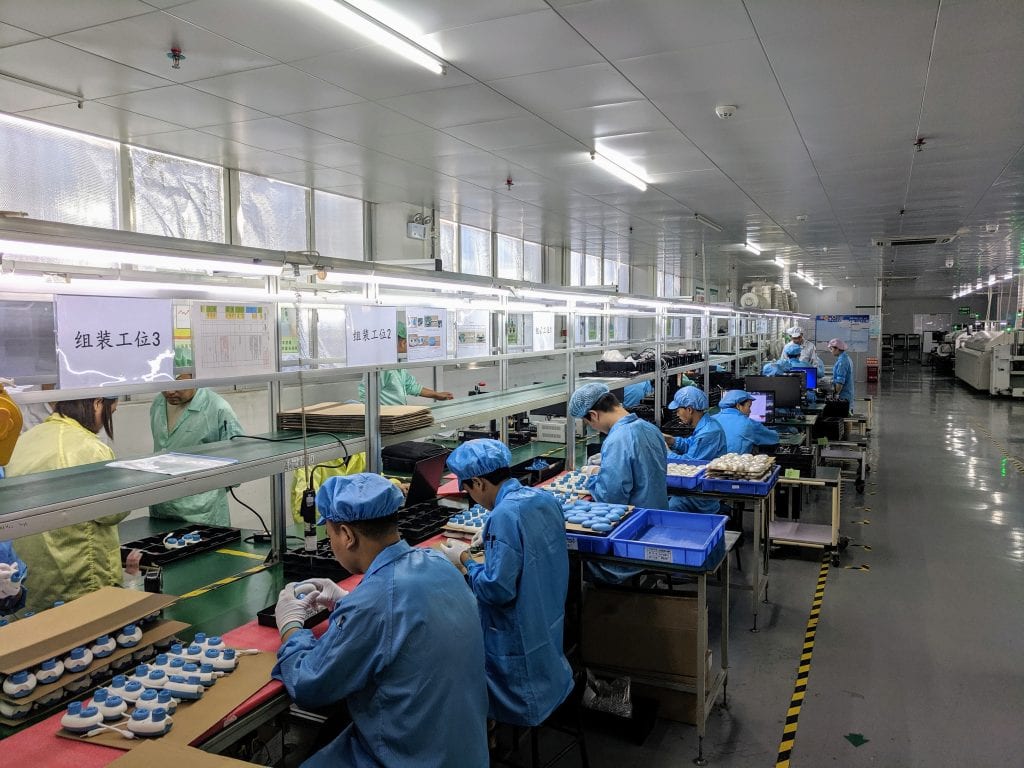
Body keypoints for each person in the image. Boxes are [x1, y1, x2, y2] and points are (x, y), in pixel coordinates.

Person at [272, 473, 488, 768]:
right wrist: (346, 601)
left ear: (347, 536)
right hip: (465, 750)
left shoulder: (372, 605)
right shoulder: (438, 563)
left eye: (331, 533)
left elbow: (310, 686)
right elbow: (399, 613)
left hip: (410, 757)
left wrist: (291, 628)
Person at [440, 439, 574, 727]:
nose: (471, 497)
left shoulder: (504, 515)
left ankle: (486, 738)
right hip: (547, 628)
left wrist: (465, 559)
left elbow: (497, 588)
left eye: (467, 490)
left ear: (478, 482)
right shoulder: (542, 499)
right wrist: (491, 540)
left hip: (518, 650)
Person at [5, 398, 128, 611]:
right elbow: (112, 513)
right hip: (79, 577)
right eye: (111, 412)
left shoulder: (23, 440)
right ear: (98, 403)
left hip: (31, 579)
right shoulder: (89, 447)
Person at [149, 374, 244, 527]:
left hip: (202, 511)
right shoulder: (158, 403)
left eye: (177, 385)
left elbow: (238, 459)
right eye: (164, 384)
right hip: (162, 505)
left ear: (194, 376)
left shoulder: (218, 408)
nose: (169, 392)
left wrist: (208, 494)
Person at [568, 382, 668, 511]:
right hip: (659, 513)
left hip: (636, 518)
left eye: (588, 423)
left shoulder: (617, 440)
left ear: (594, 415)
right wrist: (610, 463)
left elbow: (610, 497)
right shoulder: (650, 428)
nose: (592, 427)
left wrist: (594, 475)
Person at [663, 386, 727, 514]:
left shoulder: (709, 432)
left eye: (678, 410)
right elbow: (691, 445)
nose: (677, 414)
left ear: (689, 409)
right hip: (696, 489)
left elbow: (689, 463)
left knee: (666, 511)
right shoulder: (705, 425)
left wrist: (666, 451)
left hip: (699, 497)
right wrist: (672, 440)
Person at [358, 322, 454, 405]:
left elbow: (411, 386)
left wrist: (436, 395)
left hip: (398, 419)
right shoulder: (382, 366)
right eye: (410, 343)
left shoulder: (399, 364)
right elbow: (365, 395)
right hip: (385, 421)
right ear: (403, 343)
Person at [713, 390, 780, 454]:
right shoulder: (749, 423)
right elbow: (774, 438)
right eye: (749, 406)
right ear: (738, 406)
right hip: (738, 464)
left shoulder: (712, 419)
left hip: (712, 463)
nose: (750, 411)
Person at [828, 338, 855, 404]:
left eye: (831, 349)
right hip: (848, 393)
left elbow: (840, 382)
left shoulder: (842, 362)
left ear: (837, 349)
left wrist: (835, 395)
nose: (831, 351)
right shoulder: (846, 358)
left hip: (843, 396)